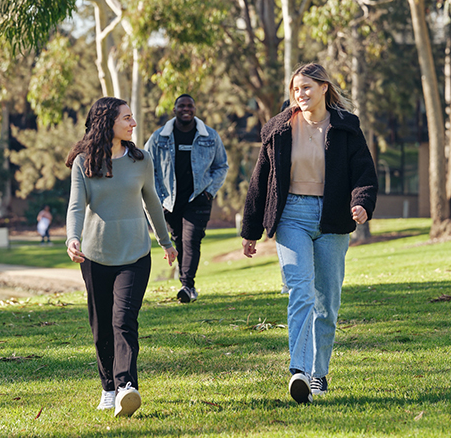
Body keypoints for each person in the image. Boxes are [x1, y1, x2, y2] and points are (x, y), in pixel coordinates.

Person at [240, 63, 377, 404]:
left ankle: (319, 374)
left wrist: (360, 203)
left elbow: (364, 173)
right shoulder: (280, 129)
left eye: (307, 88)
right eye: (296, 89)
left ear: (324, 88)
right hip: (292, 216)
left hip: (332, 218)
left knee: (326, 303)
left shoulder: (346, 128)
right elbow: (261, 180)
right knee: (300, 290)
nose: (300, 94)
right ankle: (298, 371)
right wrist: (250, 229)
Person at [65, 97, 178, 418]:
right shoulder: (84, 162)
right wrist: (72, 237)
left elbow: (152, 202)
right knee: (101, 326)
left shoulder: (140, 159)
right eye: (126, 118)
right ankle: (108, 388)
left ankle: (127, 386)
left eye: (132, 117)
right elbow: (76, 205)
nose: (133, 123)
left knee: (124, 321)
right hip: (95, 255)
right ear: (107, 123)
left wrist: (165, 241)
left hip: (136, 253)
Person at [144, 94, 228, 303]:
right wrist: (157, 195)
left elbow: (221, 166)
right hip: (169, 200)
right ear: (174, 110)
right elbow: (147, 167)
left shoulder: (209, 136)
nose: (186, 109)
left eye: (190, 105)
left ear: (195, 109)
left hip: (198, 198)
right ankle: (185, 282)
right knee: (179, 241)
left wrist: (209, 191)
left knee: (192, 240)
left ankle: (187, 286)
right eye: (182, 105)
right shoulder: (158, 137)